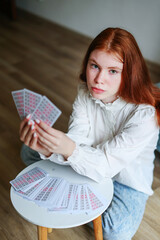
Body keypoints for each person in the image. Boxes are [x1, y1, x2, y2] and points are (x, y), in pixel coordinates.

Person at [19, 27, 160, 240]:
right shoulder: (85, 91)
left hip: (125, 178)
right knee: (29, 151)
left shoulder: (144, 115)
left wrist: (67, 150)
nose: (98, 79)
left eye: (113, 71)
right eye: (94, 66)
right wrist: (49, 148)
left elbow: (105, 163)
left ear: (129, 72)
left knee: (115, 232)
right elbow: (77, 137)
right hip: (89, 155)